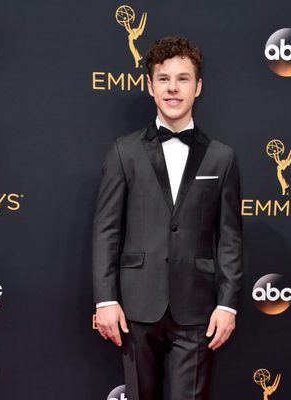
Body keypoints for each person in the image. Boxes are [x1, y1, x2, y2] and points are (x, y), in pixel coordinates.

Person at [92, 35, 243, 400]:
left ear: (198, 86)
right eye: (163, 78)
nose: (173, 88)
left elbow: (230, 238)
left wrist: (227, 303)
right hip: (135, 307)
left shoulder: (222, 157)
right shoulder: (123, 151)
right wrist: (105, 300)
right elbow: (107, 230)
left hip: (198, 310)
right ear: (150, 85)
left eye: (183, 78)